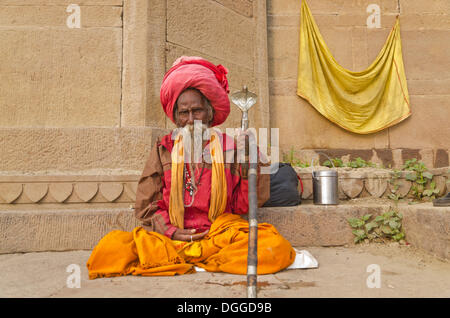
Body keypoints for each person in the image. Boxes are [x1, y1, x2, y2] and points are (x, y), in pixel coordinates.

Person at [87, 56, 295, 279]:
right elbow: (146, 205)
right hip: (171, 238)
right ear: (176, 117)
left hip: (218, 235)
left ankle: (202, 259)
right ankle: (199, 260)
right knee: (110, 249)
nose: (191, 119)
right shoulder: (163, 148)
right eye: (184, 113)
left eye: (197, 111)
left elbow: (244, 203)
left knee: (274, 247)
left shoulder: (230, 148)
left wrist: (251, 155)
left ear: (210, 112)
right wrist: (171, 231)